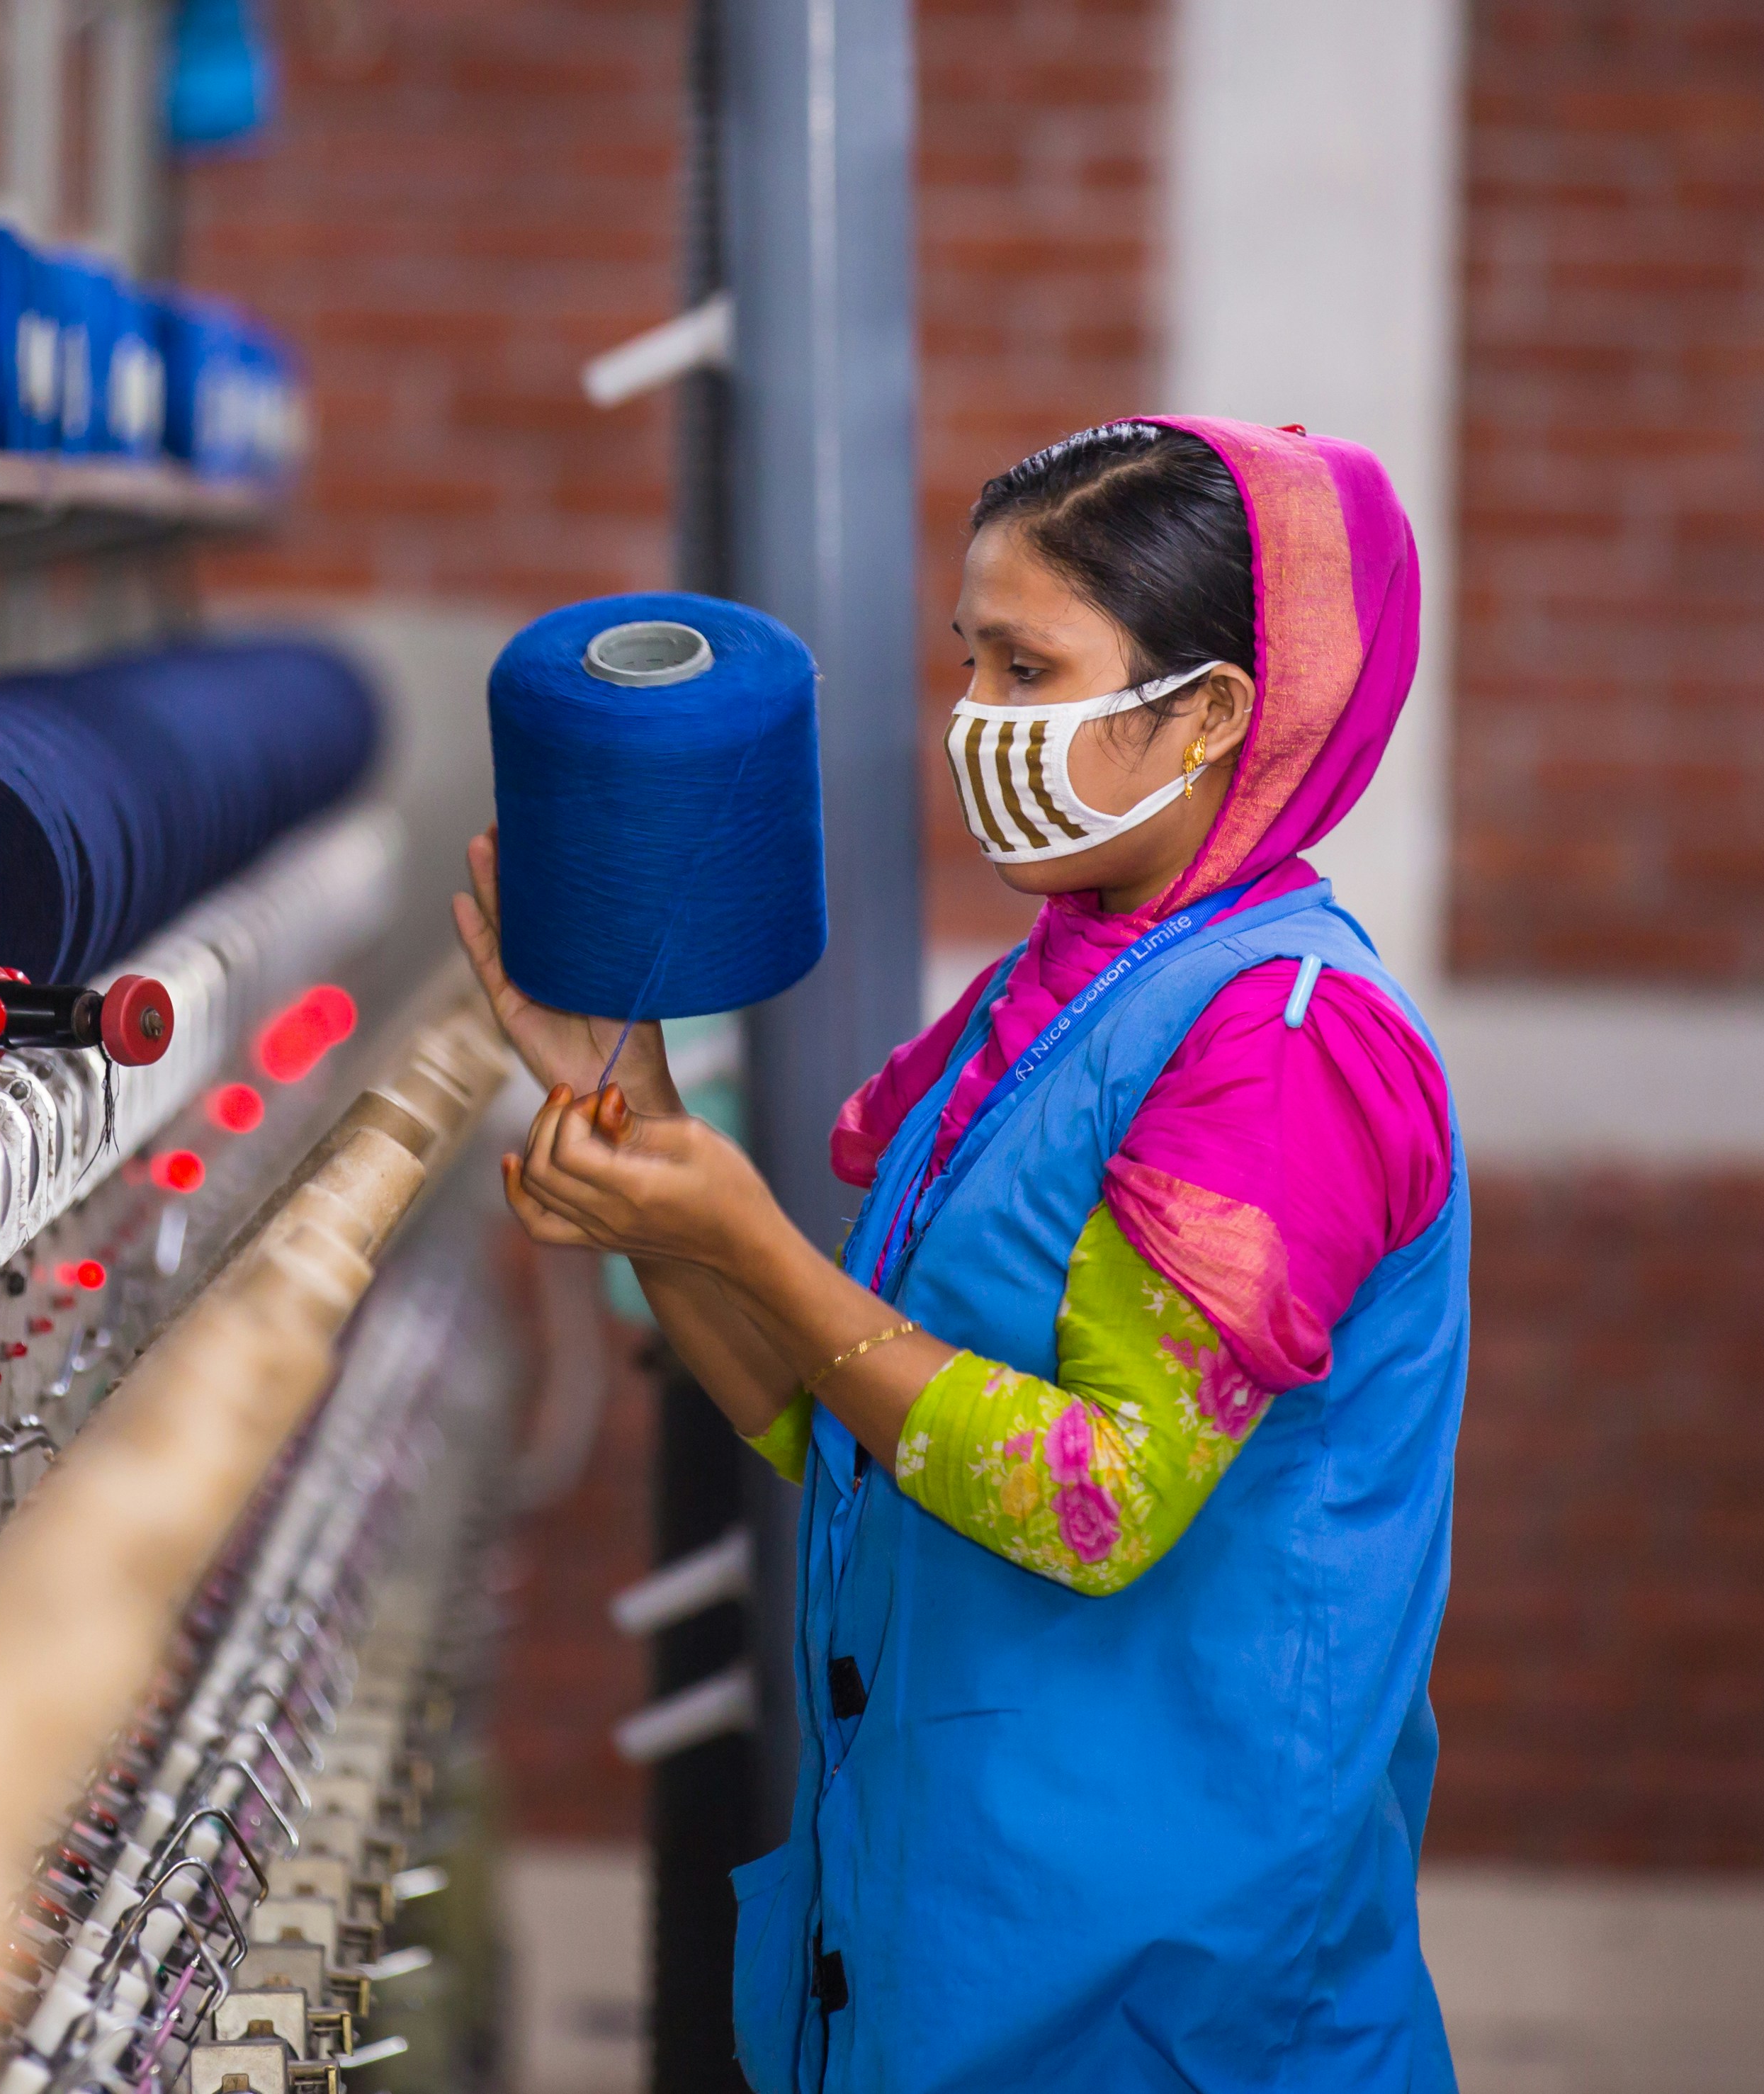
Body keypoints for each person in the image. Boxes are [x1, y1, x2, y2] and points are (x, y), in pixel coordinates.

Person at [455, 418, 1464, 2090]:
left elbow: (1092, 1493)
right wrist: (634, 1138)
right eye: (970, 661)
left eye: (1031, 666)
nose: (978, 719)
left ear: (1213, 711)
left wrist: (751, 1238)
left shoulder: (1284, 1046)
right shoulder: (1059, 999)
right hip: (966, 1928)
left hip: (1163, 1990)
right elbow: (853, 1430)